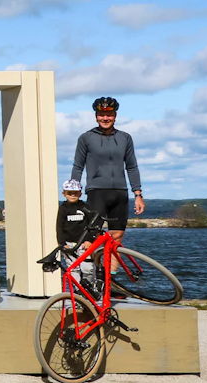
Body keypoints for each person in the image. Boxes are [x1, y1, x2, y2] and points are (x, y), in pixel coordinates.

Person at [70, 97, 143, 243]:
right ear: (96, 117)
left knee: (117, 238)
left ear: (115, 116)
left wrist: (138, 194)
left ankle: (111, 267)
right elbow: (78, 166)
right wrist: (73, 192)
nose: (105, 118)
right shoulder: (86, 138)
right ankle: (95, 267)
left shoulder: (125, 138)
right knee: (92, 237)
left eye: (109, 114)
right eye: (101, 115)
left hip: (120, 193)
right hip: (97, 192)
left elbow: (131, 166)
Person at [55, 179, 97, 292]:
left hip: (84, 244)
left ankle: (90, 289)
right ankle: (79, 292)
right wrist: (62, 244)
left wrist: (89, 240)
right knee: (74, 269)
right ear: (64, 194)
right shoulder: (63, 208)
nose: (73, 195)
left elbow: (92, 224)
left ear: (80, 194)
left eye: (76, 193)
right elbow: (59, 226)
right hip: (69, 244)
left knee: (88, 268)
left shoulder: (85, 207)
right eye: (69, 193)